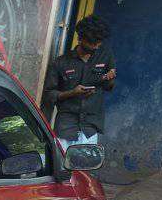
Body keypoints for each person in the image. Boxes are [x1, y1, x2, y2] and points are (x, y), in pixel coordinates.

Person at [43, 15, 116, 150]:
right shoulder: (61, 63)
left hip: (90, 127)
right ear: (80, 39)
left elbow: (108, 87)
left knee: (84, 166)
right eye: (92, 42)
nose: (96, 46)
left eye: (98, 42)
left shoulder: (106, 56)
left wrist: (109, 79)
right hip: (66, 127)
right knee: (61, 166)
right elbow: (49, 94)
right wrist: (72, 93)